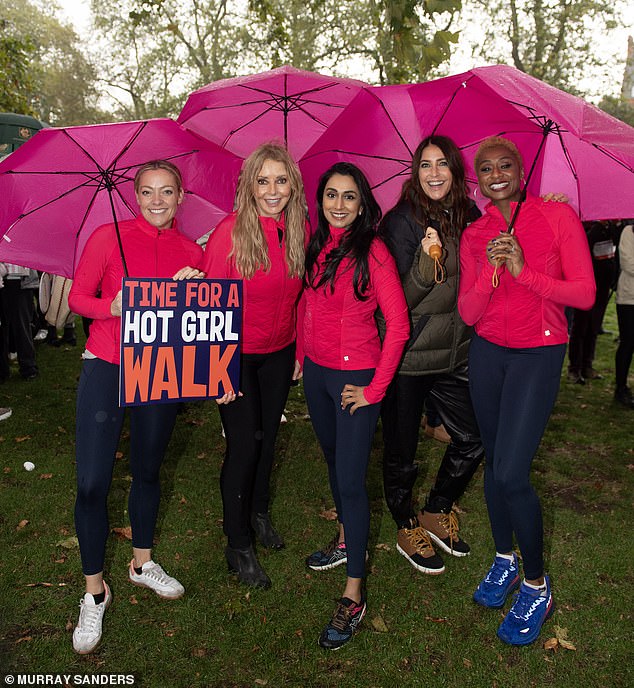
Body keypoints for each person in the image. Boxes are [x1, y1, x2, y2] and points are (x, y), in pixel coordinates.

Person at [458, 136, 595, 646]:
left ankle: (536, 584)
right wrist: (492, 275)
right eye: (486, 168)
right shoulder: (476, 232)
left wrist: (525, 273)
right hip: (489, 353)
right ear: (479, 179)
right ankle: (503, 558)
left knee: (514, 472)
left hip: (539, 353)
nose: (497, 174)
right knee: (494, 464)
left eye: (506, 165)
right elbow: (469, 313)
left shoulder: (557, 217)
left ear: (522, 171)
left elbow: (583, 293)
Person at [67, 160, 204, 655]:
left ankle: (142, 563)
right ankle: (94, 592)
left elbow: (196, 323)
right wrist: (113, 306)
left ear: (181, 196)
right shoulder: (109, 237)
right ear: (135, 196)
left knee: (148, 469)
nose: (158, 201)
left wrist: (194, 292)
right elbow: (78, 299)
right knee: (92, 483)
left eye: (167, 191)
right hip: (106, 363)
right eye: (148, 192)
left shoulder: (192, 252)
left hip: (158, 368)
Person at [300, 162, 409, 650]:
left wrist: (374, 391)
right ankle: (345, 540)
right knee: (331, 462)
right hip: (319, 377)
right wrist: (303, 356)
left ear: (362, 203)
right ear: (320, 200)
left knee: (350, 479)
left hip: (355, 381)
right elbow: (309, 304)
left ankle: (353, 594)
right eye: (330, 195)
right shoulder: (317, 246)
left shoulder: (375, 252)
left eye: (348, 196)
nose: (338, 205)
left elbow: (399, 326)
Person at [200, 142, 308, 589]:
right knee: (244, 445)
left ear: (293, 186)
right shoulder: (229, 232)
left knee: (268, 439)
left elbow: (303, 295)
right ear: (249, 185)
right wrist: (216, 367)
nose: (272, 190)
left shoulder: (299, 229)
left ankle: (258, 510)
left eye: (281, 180)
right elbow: (207, 307)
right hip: (236, 355)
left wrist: (299, 350)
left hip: (280, 352)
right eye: (262, 180)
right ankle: (237, 542)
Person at [379, 135, 485, 576]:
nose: (435, 173)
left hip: (457, 354)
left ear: (456, 172)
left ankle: (436, 507)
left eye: (443, 164)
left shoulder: (470, 216)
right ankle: (405, 523)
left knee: (474, 436)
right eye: (426, 165)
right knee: (401, 450)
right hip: (409, 356)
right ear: (415, 172)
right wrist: (425, 264)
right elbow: (393, 303)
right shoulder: (400, 222)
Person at [567, 220, 617, 384]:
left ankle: (587, 365)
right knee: (580, 327)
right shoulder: (589, 227)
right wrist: (598, 227)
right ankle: (574, 368)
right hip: (585, 284)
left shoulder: (611, 229)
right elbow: (582, 248)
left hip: (603, 285)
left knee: (593, 327)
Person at [614, 220, 634, 408]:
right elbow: (629, 264)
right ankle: (620, 387)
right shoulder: (628, 231)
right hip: (629, 298)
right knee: (627, 343)